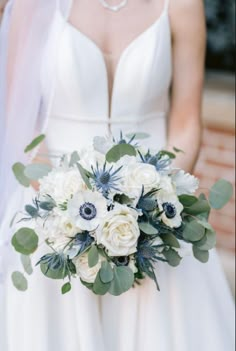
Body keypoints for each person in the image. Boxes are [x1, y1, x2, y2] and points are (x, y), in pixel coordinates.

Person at [0, 1, 234, 350]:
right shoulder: (33, 5)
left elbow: (186, 118)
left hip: (156, 214)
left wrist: (157, 200)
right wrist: (68, 212)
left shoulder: (184, 4)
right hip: (51, 206)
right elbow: (21, 119)